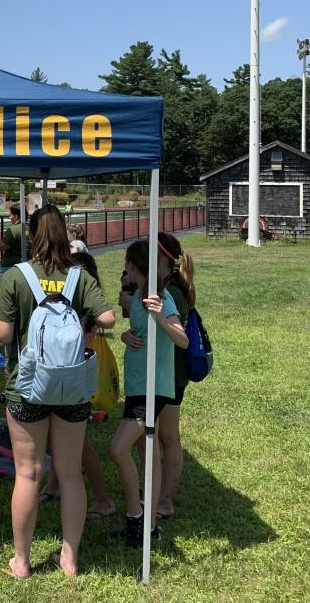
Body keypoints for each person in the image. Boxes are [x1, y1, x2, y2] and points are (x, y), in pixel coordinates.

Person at [0, 205, 114, 579]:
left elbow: (3, 334)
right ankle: (70, 558)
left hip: (27, 387)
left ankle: (22, 561)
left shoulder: (16, 276)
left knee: (27, 474)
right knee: (71, 473)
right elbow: (109, 318)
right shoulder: (80, 277)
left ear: (31, 234)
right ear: (65, 234)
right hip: (72, 389)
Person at [110, 238, 188, 547]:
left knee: (118, 448)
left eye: (126, 265)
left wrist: (160, 318)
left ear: (134, 266)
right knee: (148, 453)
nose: (124, 270)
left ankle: (136, 515)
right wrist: (126, 336)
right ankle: (150, 523)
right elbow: (139, 331)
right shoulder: (141, 296)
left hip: (152, 389)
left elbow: (181, 339)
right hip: (138, 386)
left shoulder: (161, 298)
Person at [39, 249, 117, 520]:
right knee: (54, 433)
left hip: (75, 379)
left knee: (79, 444)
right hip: (62, 377)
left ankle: (104, 499)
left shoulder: (85, 306)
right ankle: (53, 484)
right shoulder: (70, 301)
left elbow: (105, 320)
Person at [154, 234, 198, 520]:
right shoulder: (167, 285)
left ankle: (165, 500)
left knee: (168, 437)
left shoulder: (172, 291)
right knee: (160, 435)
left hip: (173, 373)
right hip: (166, 371)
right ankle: (158, 492)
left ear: (162, 258)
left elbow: (177, 336)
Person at [0, 203, 26, 270]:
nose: (9, 217)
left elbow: (2, 246)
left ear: (16, 216)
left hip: (12, 266)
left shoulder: (13, 230)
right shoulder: (31, 228)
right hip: (27, 264)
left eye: (10, 215)